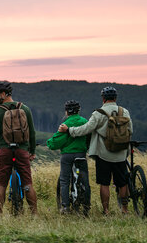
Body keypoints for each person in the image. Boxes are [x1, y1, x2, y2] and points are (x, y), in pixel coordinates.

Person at [58, 86, 133, 215]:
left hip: (103, 154)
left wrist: (69, 130)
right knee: (122, 182)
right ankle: (125, 210)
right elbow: (130, 130)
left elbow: (86, 129)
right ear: (115, 98)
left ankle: (106, 210)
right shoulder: (124, 112)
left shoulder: (99, 113)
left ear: (103, 99)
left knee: (104, 183)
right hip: (120, 153)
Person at [0, 81, 38, 214]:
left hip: (4, 151)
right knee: (27, 184)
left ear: (4, 94)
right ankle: (34, 214)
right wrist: (32, 151)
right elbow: (32, 133)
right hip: (22, 150)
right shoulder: (24, 108)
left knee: (1, 185)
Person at [47, 100, 91, 214]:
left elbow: (55, 142)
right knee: (85, 178)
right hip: (81, 154)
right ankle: (87, 206)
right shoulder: (85, 121)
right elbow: (89, 137)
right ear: (78, 110)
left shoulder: (65, 125)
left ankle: (65, 207)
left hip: (67, 156)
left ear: (67, 112)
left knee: (64, 180)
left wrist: (49, 143)